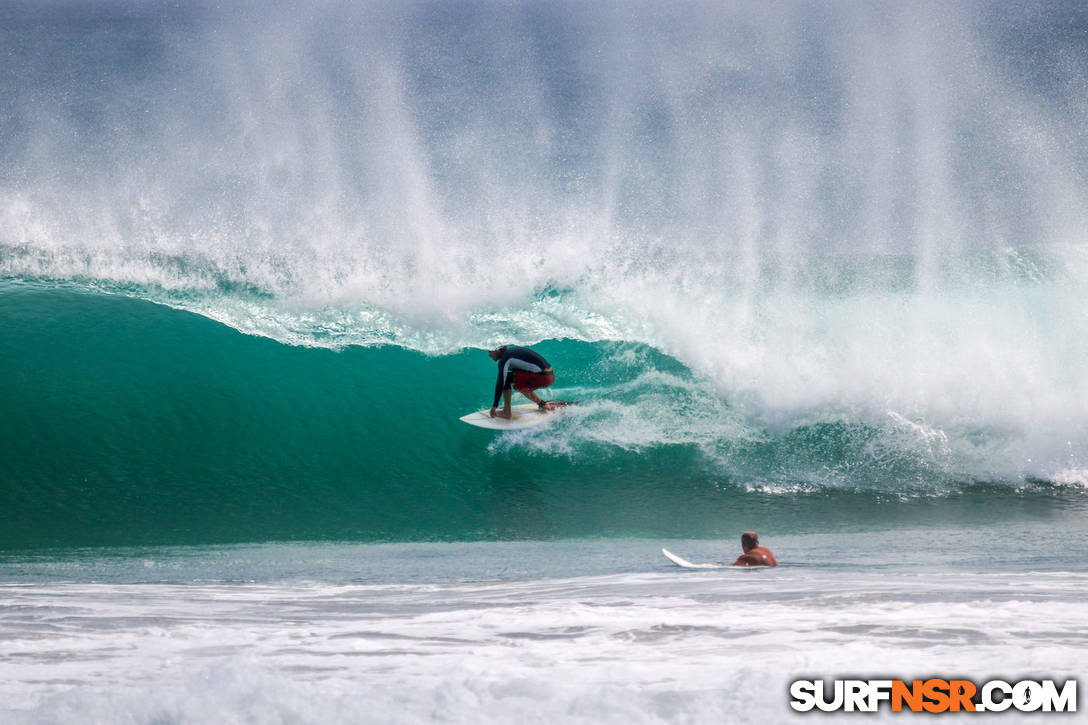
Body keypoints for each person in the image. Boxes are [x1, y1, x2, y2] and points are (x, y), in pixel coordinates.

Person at [488, 345, 555, 419]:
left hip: (542, 377)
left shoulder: (505, 359)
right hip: (550, 375)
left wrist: (495, 405)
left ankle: (506, 412)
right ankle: (542, 404)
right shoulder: (512, 352)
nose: (489, 355)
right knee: (516, 380)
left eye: (489, 351)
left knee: (507, 379)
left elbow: (501, 383)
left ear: (497, 350)